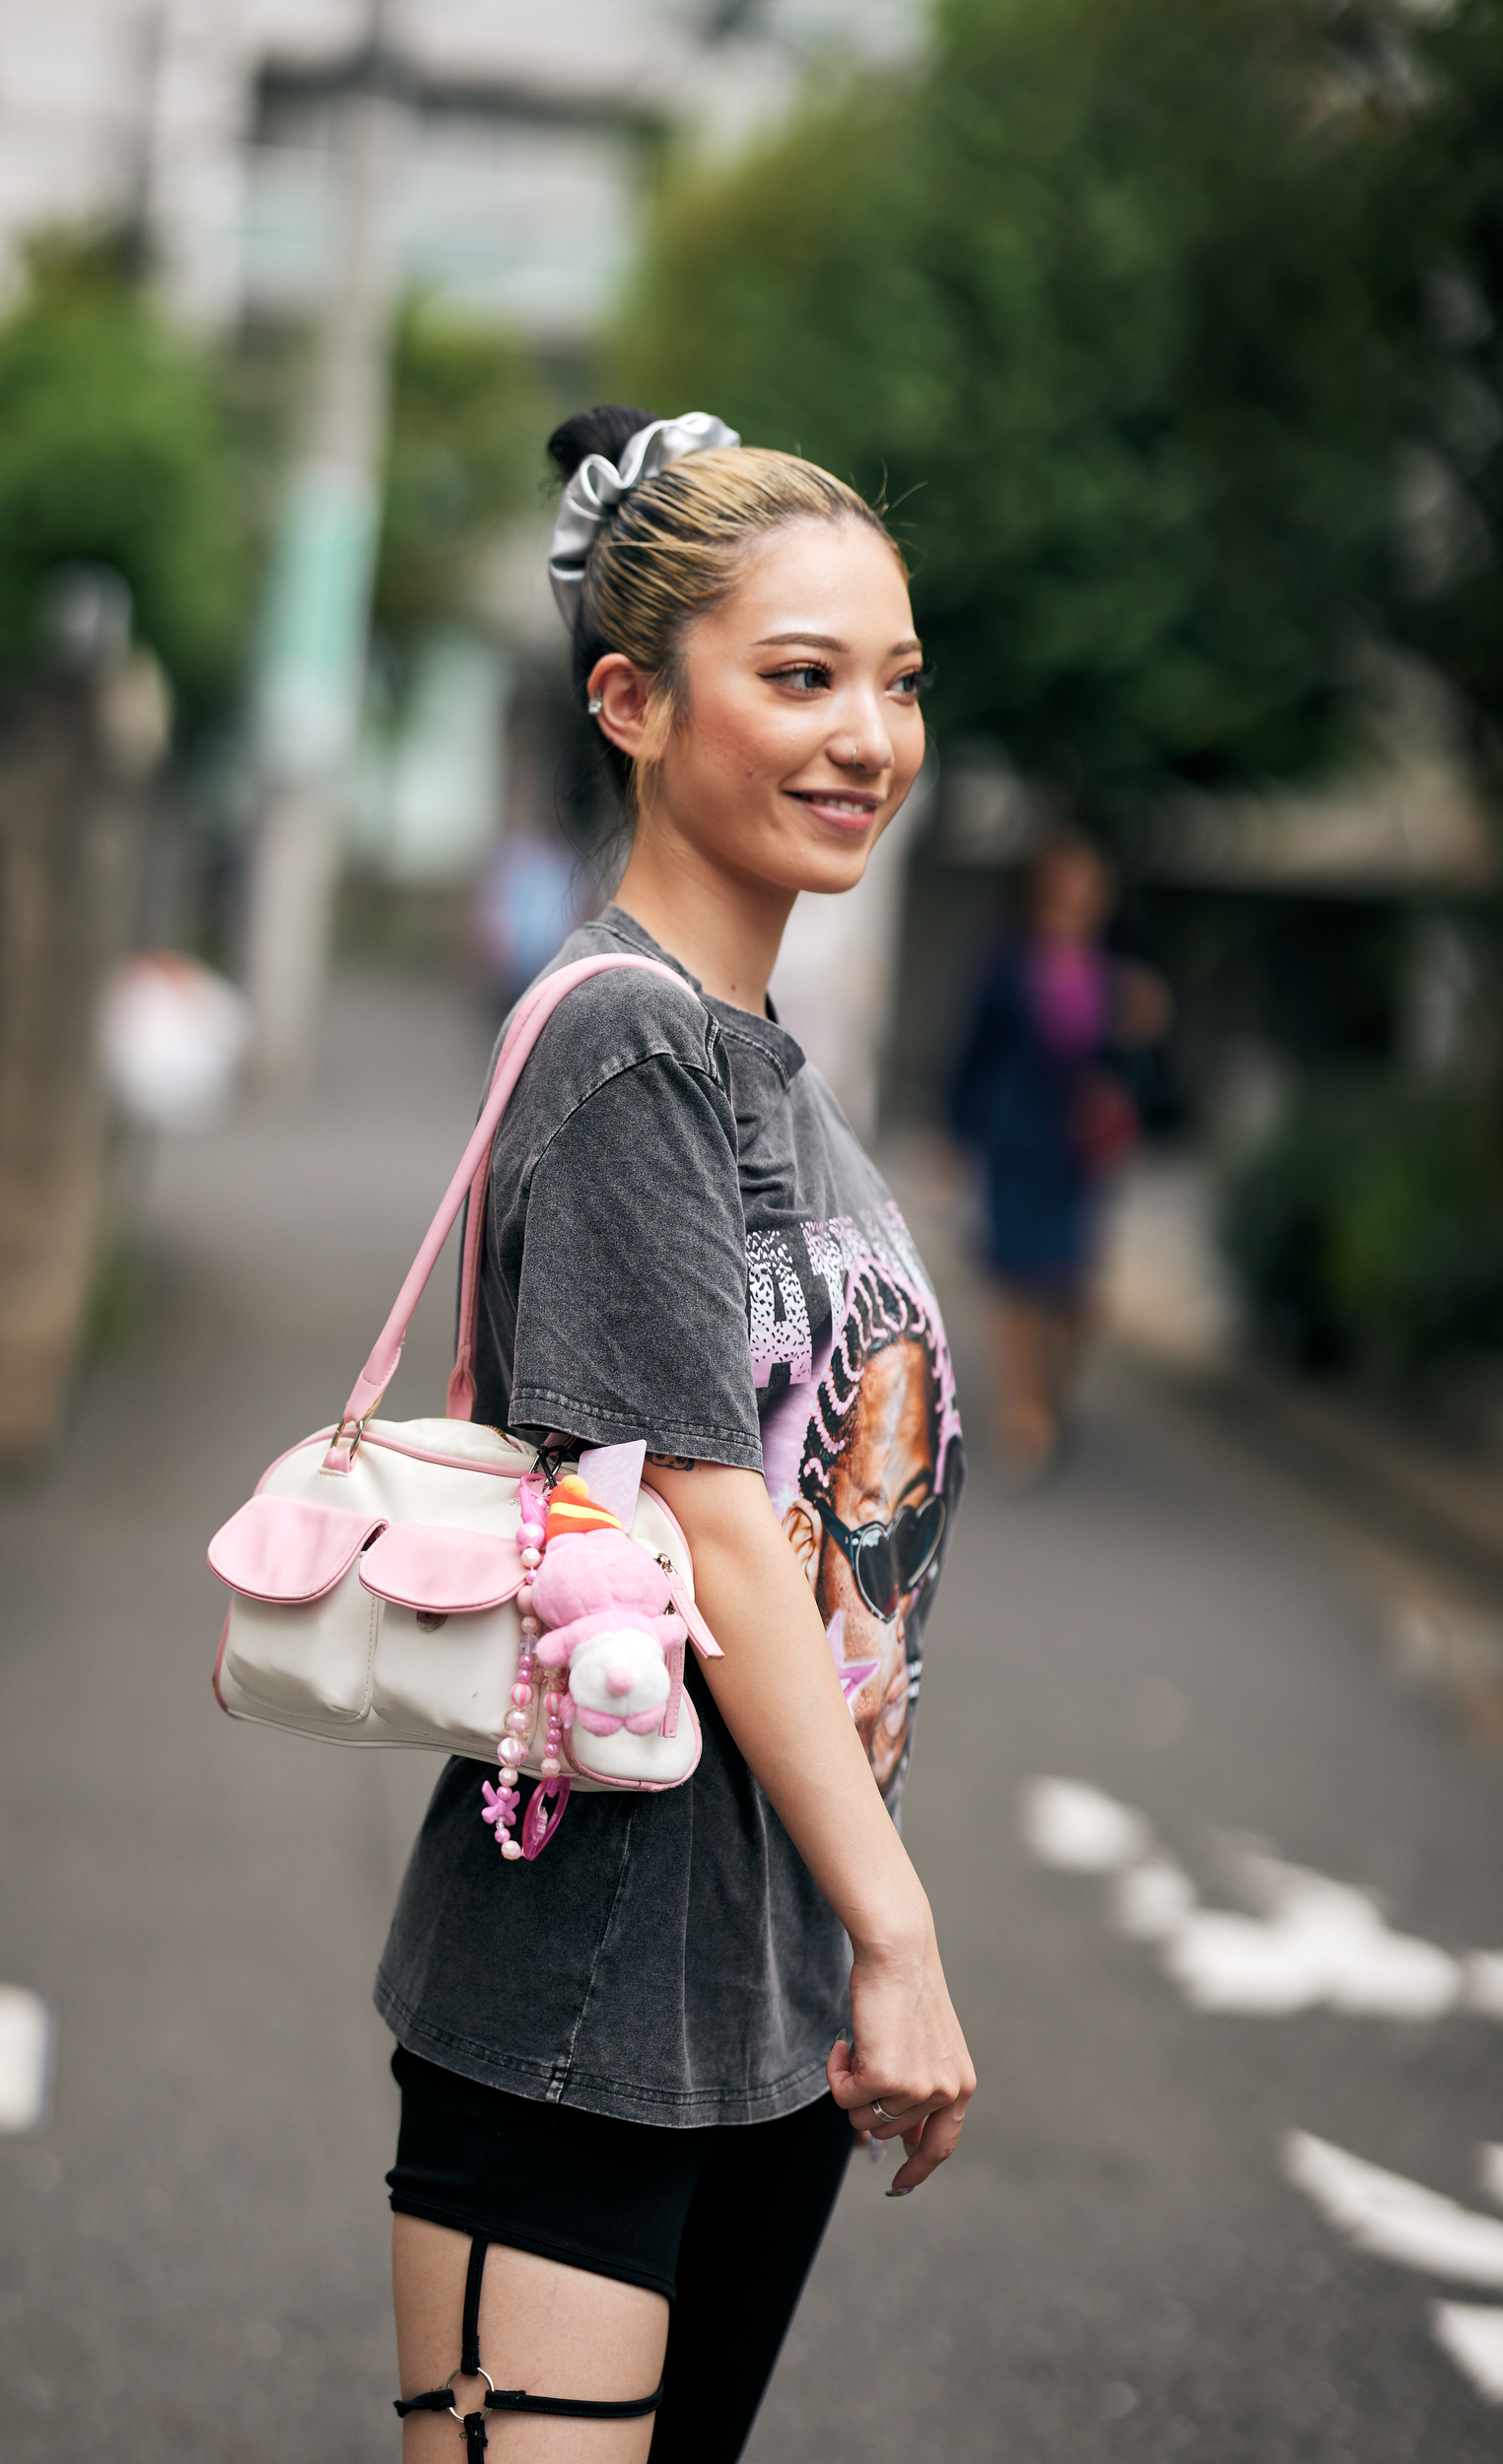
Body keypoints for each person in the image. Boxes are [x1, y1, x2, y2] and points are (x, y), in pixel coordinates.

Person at [376, 406, 975, 2462]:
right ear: (627, 701)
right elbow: (712, 1523)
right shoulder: (628, 1036)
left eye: (893, 680)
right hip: (584, 1995)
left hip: (753, 1988)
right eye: (797, 676)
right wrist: (898, 1930)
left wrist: (841, 1935)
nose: (864, 737)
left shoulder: (756, 1065)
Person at [948, 830, 1170, 1479]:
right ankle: (1023, 1408)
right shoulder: (1007, 962)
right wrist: (955, 1132)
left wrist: (1142, 1024)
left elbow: (1136, 1063)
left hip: (1079, 1147)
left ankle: (1052, 1391)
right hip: (1015, 1139)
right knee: (1016, 1278)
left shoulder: (1112, 969)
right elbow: (972, 1050)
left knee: (1076, 1288)